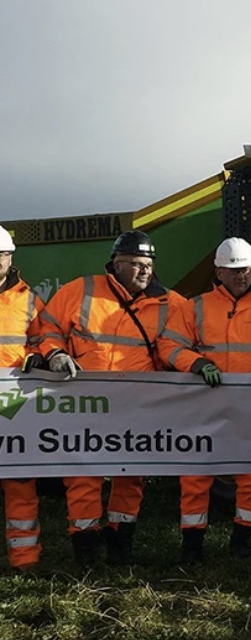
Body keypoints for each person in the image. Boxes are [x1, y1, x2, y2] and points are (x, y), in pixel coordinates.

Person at [34, 230, 192, 565]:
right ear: (116, 265)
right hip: (84, 405)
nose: (144, 271)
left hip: (136, 408)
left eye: (148, 264)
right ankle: (86, 547)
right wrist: (55, 354)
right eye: (135, 264)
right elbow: (46, 329)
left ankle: (122, 545)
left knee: (130, 476)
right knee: (82, 475)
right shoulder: (81, 291)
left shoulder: (174, 304)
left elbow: (181, 348)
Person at [165, 238, 251, 561]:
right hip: (206, 406)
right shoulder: (195, 307)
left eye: (245, 269)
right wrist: (198, 363)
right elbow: (170, 346)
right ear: (218, 272)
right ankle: (192, 545)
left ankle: (242, 541)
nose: (240, 276)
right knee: (196, 476)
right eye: (232, 270)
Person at [1, 225, 45, 571]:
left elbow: (44, 338)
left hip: (12, 401)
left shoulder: (28, 300)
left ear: (10, 257)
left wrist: (38, 356)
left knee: (18, 477)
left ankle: (25, 558)